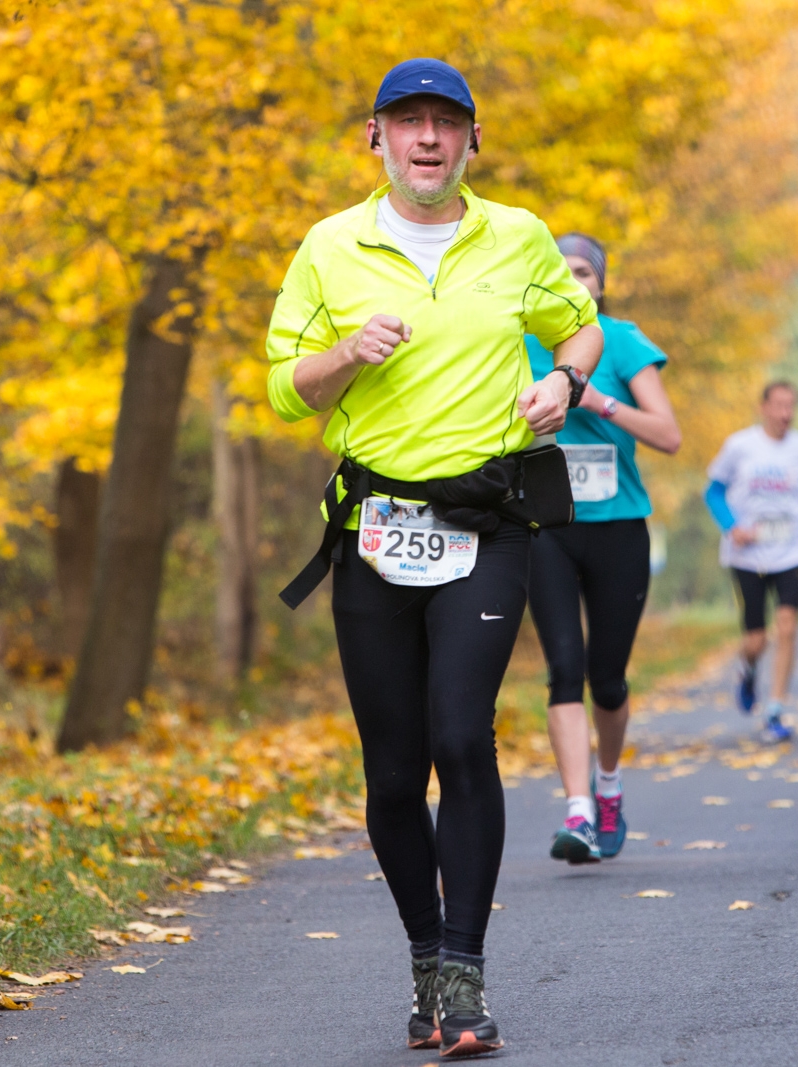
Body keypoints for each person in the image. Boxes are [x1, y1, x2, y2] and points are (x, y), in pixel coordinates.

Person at [265, 59, 603, 1057]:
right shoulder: (331, 247)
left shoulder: (519, 236)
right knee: (391, 769)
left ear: (471, 141)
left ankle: (465, 972)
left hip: (487, 522)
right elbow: (287, 387)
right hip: (374, 525)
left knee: (463, 735)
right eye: (406, 122)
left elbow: (577, 329)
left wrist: (564, 384)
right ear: (374, 136)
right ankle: (424, 961)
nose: (425, 139)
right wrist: (342, 355)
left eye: (444, 124)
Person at [524, 234, 682, 866]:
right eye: (559, 271)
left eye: (584, 271)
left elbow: (668, 434)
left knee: (606, 678)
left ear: (602, 283)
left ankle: (609, 785)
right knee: (564, 668)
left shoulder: (621, 340)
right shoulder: (519, 338)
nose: (573, 279)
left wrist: (600, 400)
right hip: (547, 527)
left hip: (618, 528)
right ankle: (578, 811)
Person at [705, 383, 798, 742]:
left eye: (791, 406)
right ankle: (747, 668)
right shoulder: (739, 446)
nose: (785, 413)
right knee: (756, 639)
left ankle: (775, 709)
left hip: (792, 550)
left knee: (788, 626)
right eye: (779, 406)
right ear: (763, 407)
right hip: (747, 554)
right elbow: (714, 491)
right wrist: (732, 527)